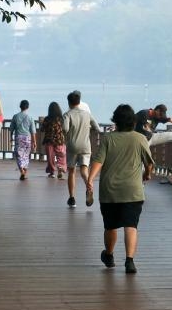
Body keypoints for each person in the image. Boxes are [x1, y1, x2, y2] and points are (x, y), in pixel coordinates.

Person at [87, 104, 154, 274]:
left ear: (115, 120)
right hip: (133, 191)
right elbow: (150, 163)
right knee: (131, 225)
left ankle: (109, 255)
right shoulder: (140, 139)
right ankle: (130, 261)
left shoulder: (108, 139)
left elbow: (98, 161)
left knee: (110, 226)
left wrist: (90, 179)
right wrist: (147, 174)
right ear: (133, 121)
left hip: (110, 191)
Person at [62, 90, 101, 208]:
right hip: (85, 146)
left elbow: (65, 129)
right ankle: (89, 186)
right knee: (84, 171)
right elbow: (97, 128)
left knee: (72, 171)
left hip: (72, 146)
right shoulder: (87, 114)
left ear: (69, 102)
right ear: (79, 102)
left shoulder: (67, 114)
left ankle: (72, 198)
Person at [11, 99, 36, 180]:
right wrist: (34, 141)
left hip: (18, 137)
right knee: (26, 155)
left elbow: (11, 128)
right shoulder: (30, 117)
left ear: (20, 106)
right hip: (27, 138)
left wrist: (11, 136)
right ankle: (24, 171)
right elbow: (33, 131)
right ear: (27, 107)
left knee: (19, 155)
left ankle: (22, 170)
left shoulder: (15, 116)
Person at [41, 102, 66, 178]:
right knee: (61, 155)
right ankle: (60, 168)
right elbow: (65, 128)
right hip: (59, 140)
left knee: (50, 157)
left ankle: (52, 172)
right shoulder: (61, 119)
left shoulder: (47, 119)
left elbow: (42, 129)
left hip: (49, 140)